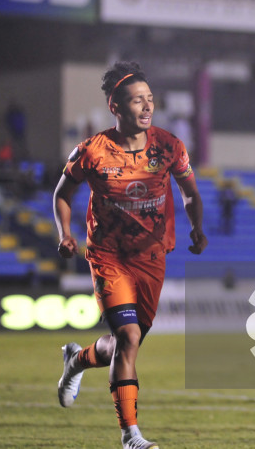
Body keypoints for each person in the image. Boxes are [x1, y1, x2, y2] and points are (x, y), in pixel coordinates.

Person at [53, 61, 208, 449]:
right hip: (109, 256)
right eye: (136, 100)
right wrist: (65, 234)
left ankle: (78, 359)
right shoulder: (91, 151)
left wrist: (198, 226)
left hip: (152, 258)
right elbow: (62, 194)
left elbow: (190, 192)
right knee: (129, 335)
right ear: (115, 106)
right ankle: (131, 434)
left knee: (126, 343)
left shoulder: (169, 146)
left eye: (150, 99)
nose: (146, 107)